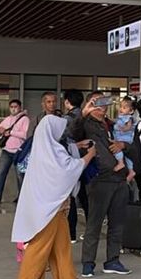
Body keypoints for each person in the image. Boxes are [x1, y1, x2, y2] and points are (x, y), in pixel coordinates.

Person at [11, 115, 95, 279]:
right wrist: (89, 156)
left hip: (50, 205)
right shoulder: (54, 150)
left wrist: (77, 147)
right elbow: (70, 168)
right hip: (49, 208)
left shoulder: (43, 148)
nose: (62, 133)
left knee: (61, 244)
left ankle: (67, 278)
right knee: (41, 244)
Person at [78, 91, 132, 277]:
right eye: (96, 105)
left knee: (117, 223)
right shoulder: (84, 124)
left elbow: (133, 142)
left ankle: (113, 260)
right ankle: (88, 263)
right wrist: (83, 113)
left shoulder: (111, 124)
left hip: (119, 179)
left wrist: (123, 146)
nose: (101, 109)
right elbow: (70, 133)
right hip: (99, 180)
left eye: (104, 106)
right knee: (94, 223)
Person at [61, 90, 91, 243]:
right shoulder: (90, 116)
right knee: (85, 197)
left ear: (67, 102)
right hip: (89, 159)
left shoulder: (66, 119)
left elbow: (62, 140)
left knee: (71, 196)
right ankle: (91, 230)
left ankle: (71, 233)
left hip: (72, 159)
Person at [0, 100, 29, 203]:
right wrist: (0, 130)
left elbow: (24, 135)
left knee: (20, 176)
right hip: (6, 150)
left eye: (15, 106)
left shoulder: (24, 119)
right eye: (11, 106)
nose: (13, 108)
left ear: (20, 107)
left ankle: (21, 197)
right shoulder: (8, 118)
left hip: (19, 151)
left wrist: (11, 132)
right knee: (1, 173)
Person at [112, 97, 136, 182]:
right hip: (120, 137)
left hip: (125, 138)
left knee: (117, 150)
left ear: (131, 111)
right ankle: (131, 171)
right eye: (121, 107)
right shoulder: (120, 117)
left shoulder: (128, 118)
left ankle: (120, 163)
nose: (121, 109)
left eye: (124, 108)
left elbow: (129, 127)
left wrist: (123, 129)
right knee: (128, 157)